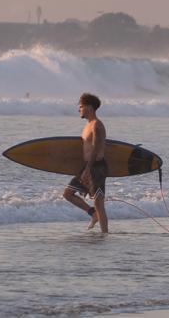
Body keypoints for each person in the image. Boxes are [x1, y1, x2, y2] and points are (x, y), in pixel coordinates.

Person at [63, 93, 109, 233]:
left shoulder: (97, 125)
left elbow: (96, 148)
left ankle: (104, 234)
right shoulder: (87, 125)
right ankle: (93, 214)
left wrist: (88, 169)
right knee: (68, 193)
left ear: (89, 107)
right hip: (87, 166)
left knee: (98, 202)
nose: (79, 109)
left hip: (97, 167)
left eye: (81, 106)